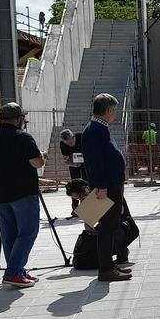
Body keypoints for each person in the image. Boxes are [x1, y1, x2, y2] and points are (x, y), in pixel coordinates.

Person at [0, 103, 45, 288]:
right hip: (23, 192)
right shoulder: (23, 137)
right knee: (28, 232)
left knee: (9, 234)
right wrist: (42, 156)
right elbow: (36, 163)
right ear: (18, 119)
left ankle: (17, 270)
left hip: (0, 194)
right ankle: (13, 272)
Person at [81, 93, 132, 282]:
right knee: (107, 227)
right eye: (114, 110)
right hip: (106, 187)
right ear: (109, 110)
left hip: (110, 185)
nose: (115, 113)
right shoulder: (94, 130)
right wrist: (101, 186)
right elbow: (95, 162)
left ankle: (109, 266)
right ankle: (106, 268)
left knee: (110, 225)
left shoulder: (100, 128)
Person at [59, 129, 83, 213]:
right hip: (74, 164)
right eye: (68, 142)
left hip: (87, 163)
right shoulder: (63, 145)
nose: (71, 143)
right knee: (74, 185)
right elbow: (66, 160)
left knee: (86, 184)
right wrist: (74, 164)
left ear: (73, 136)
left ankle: (87, 206)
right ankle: (75, 208)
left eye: (72, 140)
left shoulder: (81, 137)